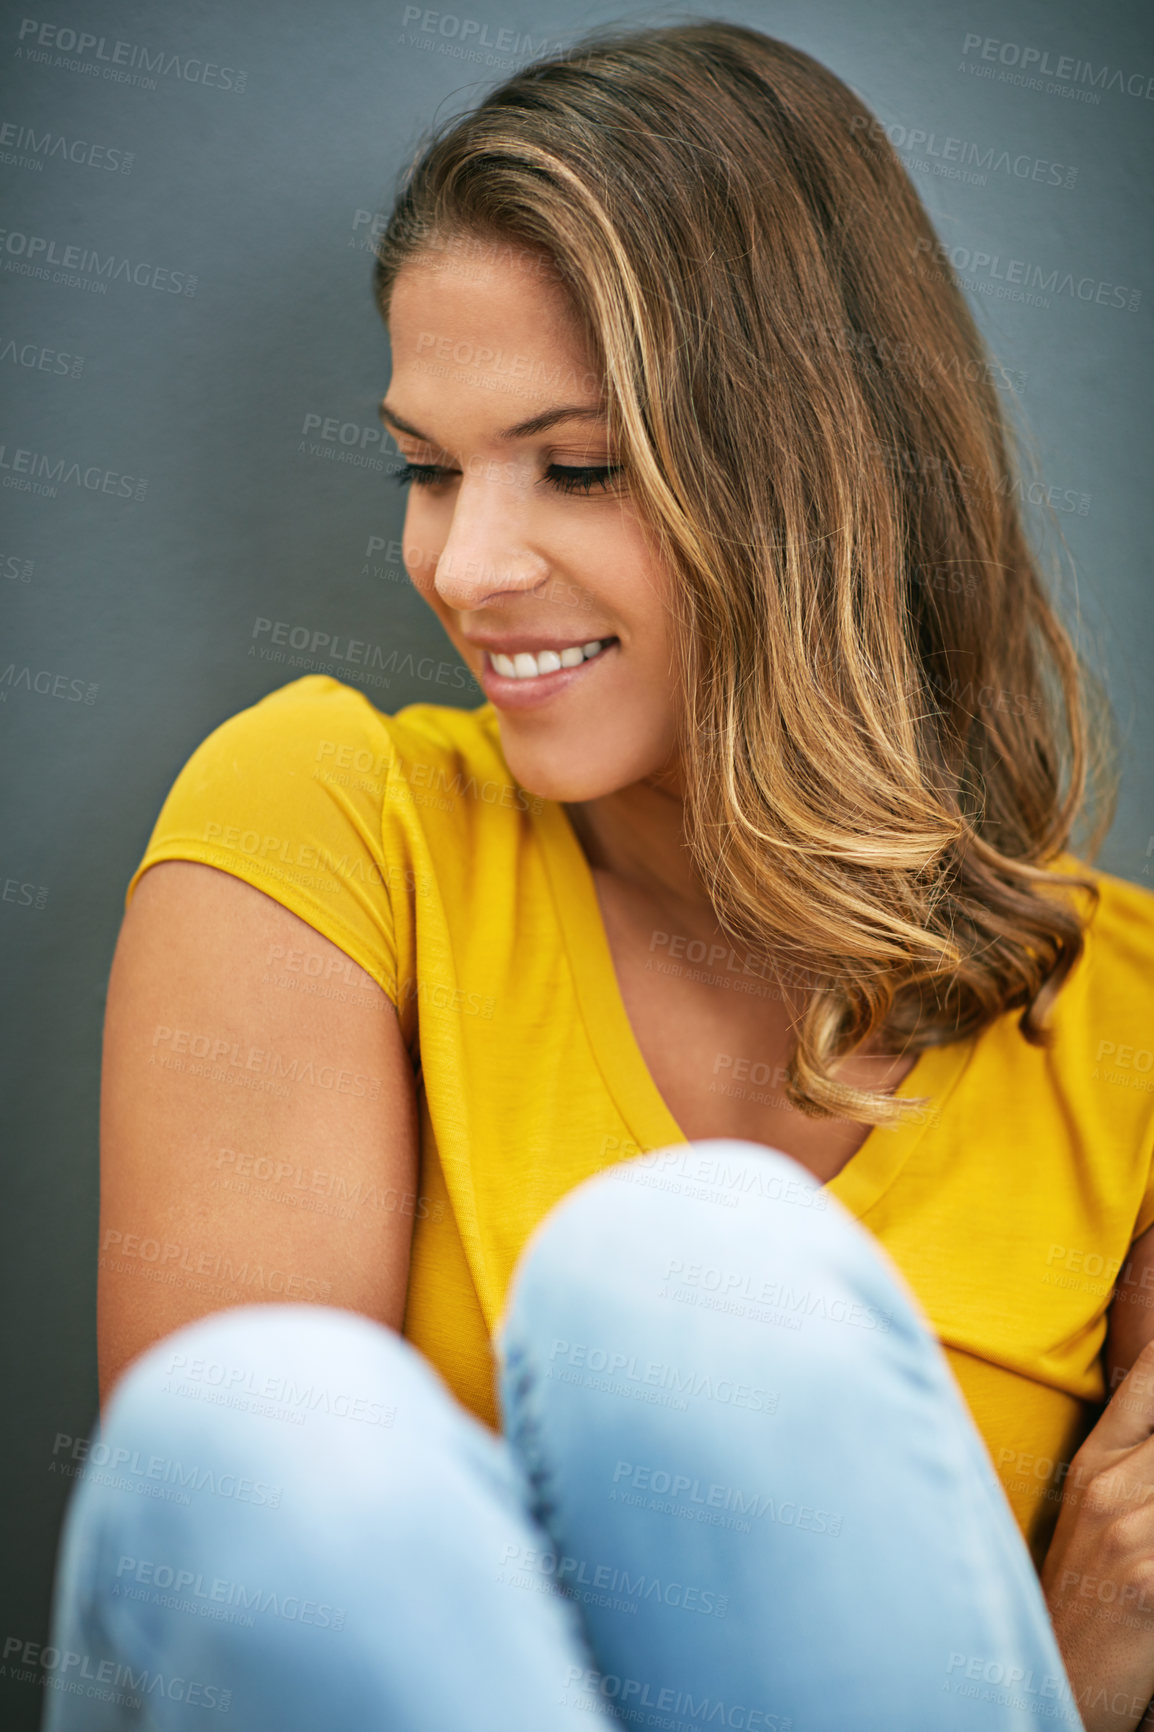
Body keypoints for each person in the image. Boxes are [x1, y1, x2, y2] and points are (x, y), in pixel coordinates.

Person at [43, 19, 1154, 1732]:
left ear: (818, 481)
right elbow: (233, 1567)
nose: (464, 566)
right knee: (259, 1416)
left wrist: (1056, 1684)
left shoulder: (1128, 1025)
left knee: (690, 1286)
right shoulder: (328, 816)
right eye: (426, 470)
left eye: (576, 468)